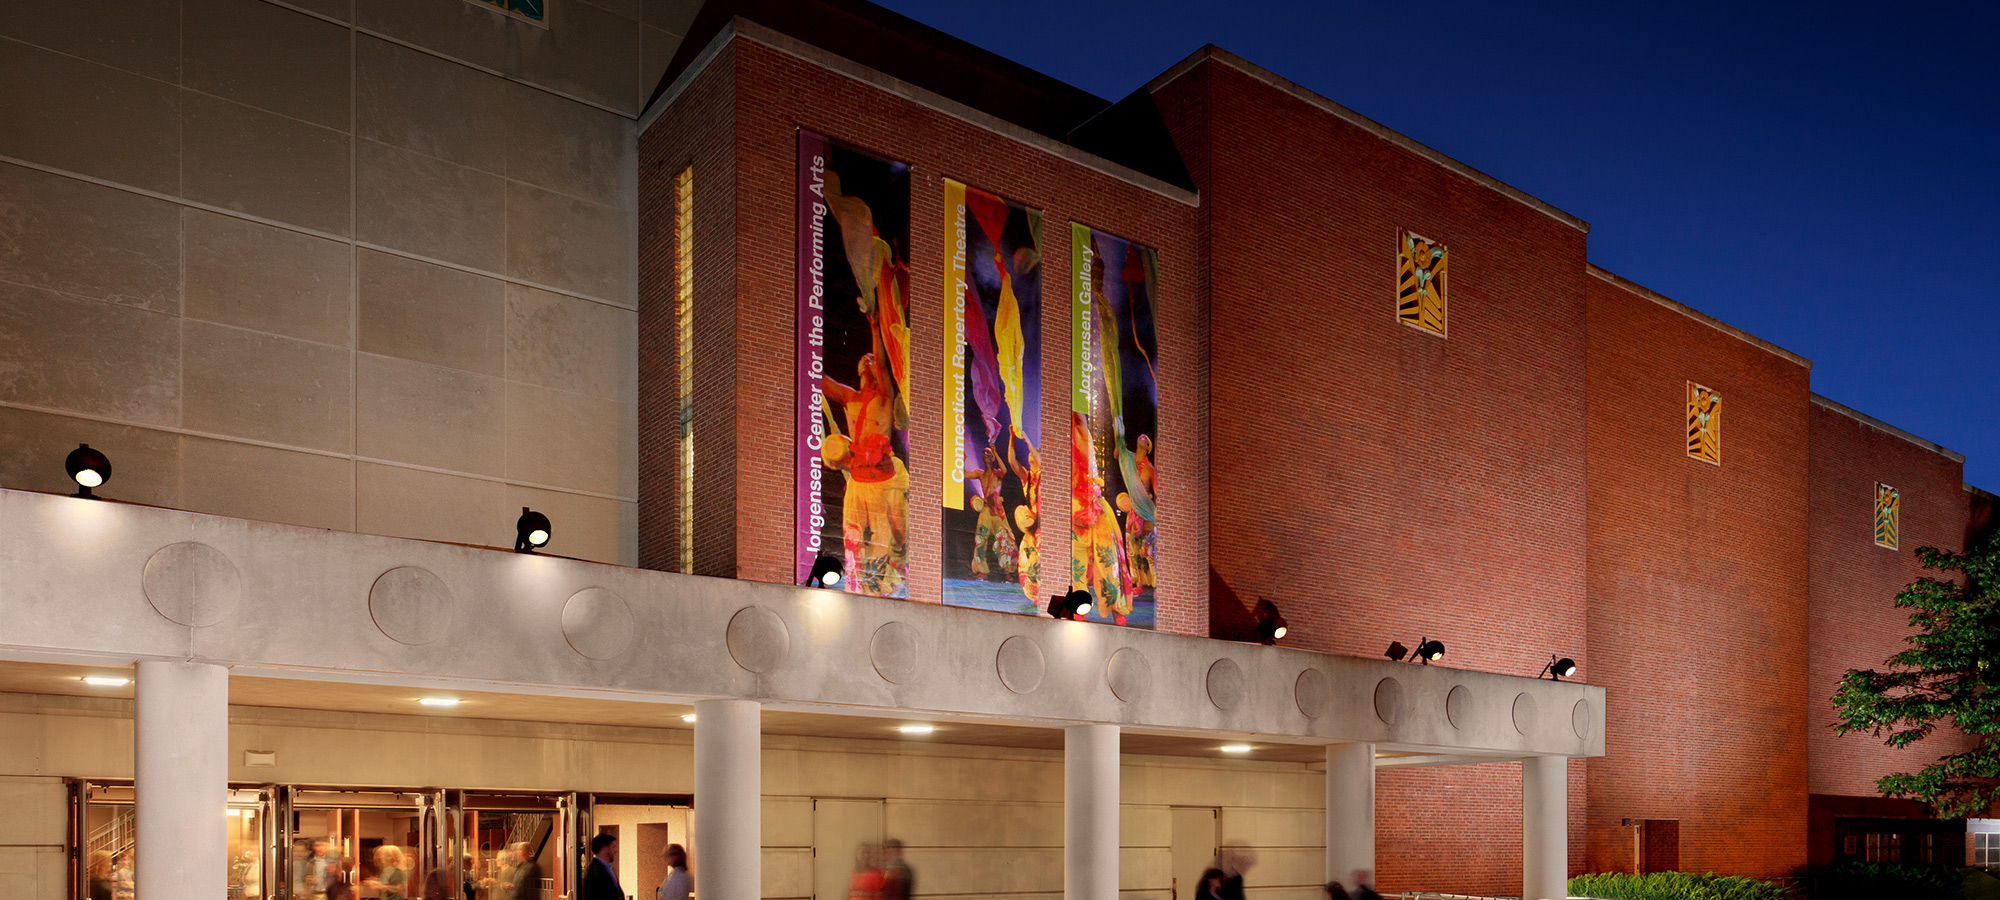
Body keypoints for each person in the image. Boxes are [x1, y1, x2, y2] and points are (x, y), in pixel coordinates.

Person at [580, 834, 621, 900]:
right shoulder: (594, 871)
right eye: (613, 847)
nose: (616, 851)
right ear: (604, 848)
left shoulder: (606, 868)